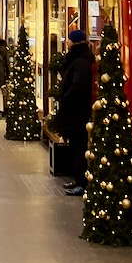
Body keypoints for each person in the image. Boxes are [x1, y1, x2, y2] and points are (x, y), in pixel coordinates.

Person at [55, 28, 95, 196]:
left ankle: (82, 182)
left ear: (74, 42)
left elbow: (77, 87)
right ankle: (78, 179)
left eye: (69, 40)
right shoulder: (78, 60)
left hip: (77, 112)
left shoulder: (80, 62)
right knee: (75, 146)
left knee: (79, 147)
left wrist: (65, 98)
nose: (67, 42)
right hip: (74, 111)